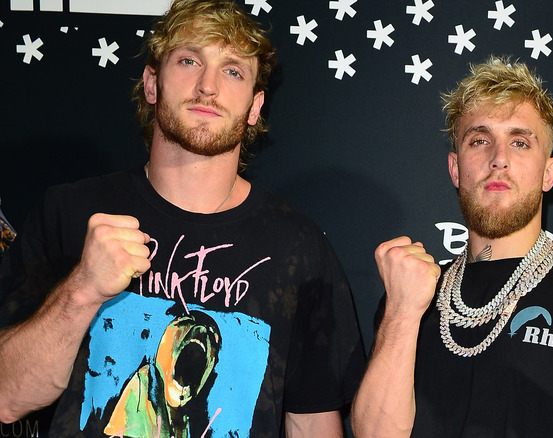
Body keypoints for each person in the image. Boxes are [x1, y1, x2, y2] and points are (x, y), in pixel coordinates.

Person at [0, 0, 365, 436]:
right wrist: (81, 291)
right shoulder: (69, 213)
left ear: (255, 107)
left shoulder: (299, 248)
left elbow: (311, 425)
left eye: (233, 71)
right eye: (189, 60)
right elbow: (7, 398)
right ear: (152, 83)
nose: (208, 86)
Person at [351, 57, 553, 437]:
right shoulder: (413, 291)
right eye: (479, 140)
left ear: (549, 173)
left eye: (520, 142)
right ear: (456, 169)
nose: (499, 159)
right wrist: (401, 314)